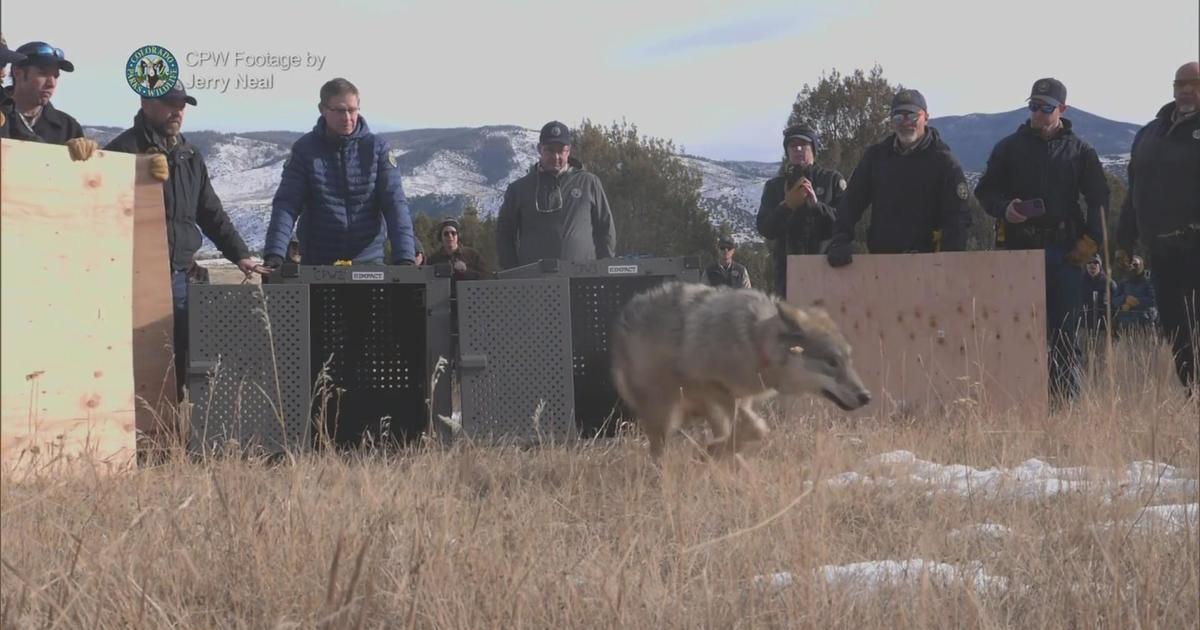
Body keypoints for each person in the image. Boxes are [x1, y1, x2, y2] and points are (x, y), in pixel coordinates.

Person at [104, 82, 263, 399]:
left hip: (184, 275)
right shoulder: (122, 152)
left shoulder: (189, 156)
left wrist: (240, 255)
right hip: (139, 276)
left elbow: (211, 213)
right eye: (169, 103)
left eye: (182, 104)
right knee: (147, 362)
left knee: (191, 359)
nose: (177, 111)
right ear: (146, 103)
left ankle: (183, 437)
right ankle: (151, 439)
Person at [974, 77, 1109, 406]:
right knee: (1018, 329)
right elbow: (985, 191)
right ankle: (1019, 401)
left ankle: (1064, 405)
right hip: (1019, 251)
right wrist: (1004, 209)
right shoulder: (1008, 147)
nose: (1038, 113)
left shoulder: (1081, 151)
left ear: (1061, 109)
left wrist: (1090, 246)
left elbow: (1099, 201)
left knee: (1065, 332)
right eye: (1033, 106)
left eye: (1045, 108)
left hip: (1066, 253)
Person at [262, 78, 416, 268]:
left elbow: (395, 204)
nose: (347, 117)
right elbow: (287, 204)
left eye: (352, 110)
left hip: (369, 262)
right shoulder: (304, 150)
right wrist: (274, 254)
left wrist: (405, 257)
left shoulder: (377, 149)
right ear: (323, 109)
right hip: (318, 262)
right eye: (340, 111)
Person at [1116, 61, 1200, 390]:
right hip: (1162, 250)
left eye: (1194, 83)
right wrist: (1124, 239)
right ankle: (1192, 397)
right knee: (1176, 329)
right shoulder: (1151, 132)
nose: (1185, 90)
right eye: (1180, 84)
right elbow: (1134, 190)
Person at [826, 89, 971, 267]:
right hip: (883, 264)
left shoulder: (945, 162)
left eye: (912, 116)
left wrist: (949, 265)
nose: (905, 123)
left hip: (930, 266)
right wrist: (840, 239)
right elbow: (850, 202)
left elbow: (958, 220)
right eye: (898, 117)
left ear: (926, 118)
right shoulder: (875, 157)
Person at [496, 121, 616, 269]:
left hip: (584, 276)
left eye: (561, 150)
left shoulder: (589, 182)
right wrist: (513, 273)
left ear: (569, 150)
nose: (556, 156)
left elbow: (605, 228)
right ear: (539, 149)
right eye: (550, 150)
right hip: (534, 281)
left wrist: (607, 268)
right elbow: (504, 235)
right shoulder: (518, 189)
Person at [755, 122, 843, 297]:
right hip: (788, 273)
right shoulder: (775, 186)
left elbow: (845, 221)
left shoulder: (831, 180)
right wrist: (785, 207)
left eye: (803, 144)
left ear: (814, 148)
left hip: (826, 268)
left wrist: (817, 206)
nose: (798, 149)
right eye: (792, 145)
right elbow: (764, 228)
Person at [4, 41, 95, 160]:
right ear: (18, 73)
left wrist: (77, 152)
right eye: (43, 74)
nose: (51, 83)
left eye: (55, 76)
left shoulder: (68, 127)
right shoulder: (2, 113)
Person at [1112, 256, 1158, 335]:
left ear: (1141, 266)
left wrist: (1138, 301)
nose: (1132, 267)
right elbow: (1114, 300)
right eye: (1130, 265)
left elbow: (1154, 300)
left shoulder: (1149, 281)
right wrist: (1124, 300)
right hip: (1126, 325)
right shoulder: (1123, 282)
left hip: (1145, 324)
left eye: (1135, 264)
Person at [1081, 255, 1116, 333]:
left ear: (1100, 265)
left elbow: (1115, 304)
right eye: (1089, 262)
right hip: (1083, 327)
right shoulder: (1079, 282)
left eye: (1095, 262)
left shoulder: (1109, 283)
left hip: (1104, 328)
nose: (1092, 264)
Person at [0, 34, 26, 137]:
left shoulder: (4, 104)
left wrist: (65, 150)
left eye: (4, 65)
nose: (3, 73)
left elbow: (28, 138)